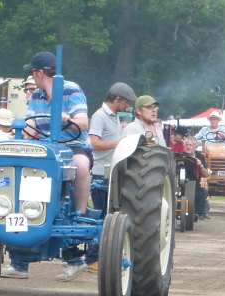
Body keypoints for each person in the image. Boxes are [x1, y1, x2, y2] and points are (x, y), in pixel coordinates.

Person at [9, 51, 92, 281]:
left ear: (39, 72)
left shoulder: (71, 90)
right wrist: (21, 134)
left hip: (72, 146)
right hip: (44, 147)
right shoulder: (36, 95)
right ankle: (19, 261)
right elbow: (33, 122)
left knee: (81, 165)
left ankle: (79, 215)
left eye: (33, 73)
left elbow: (84, 122)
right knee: (20, 166)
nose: (32, 78)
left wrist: (67, 119)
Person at [84, 82, 136, 272]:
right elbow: (94, 143)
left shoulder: (113, 116)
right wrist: (120, 144)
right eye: (126, 102)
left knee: (109, 216)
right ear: (117, 99)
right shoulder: (99, 116)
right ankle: (92, 259)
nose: (127, 106)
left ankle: (103, 256)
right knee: (102, 217)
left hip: (110, 171)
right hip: (100, 173)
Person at [183, 137, 211, 219]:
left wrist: (200, 166)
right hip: (183, 184)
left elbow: (205, 174)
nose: (188, 147)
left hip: (195, 184)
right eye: (187, 145)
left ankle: (199, 213)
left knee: (203, 192)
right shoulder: (181, 156)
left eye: (190, 145)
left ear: (195, 147)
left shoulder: (200, 156)